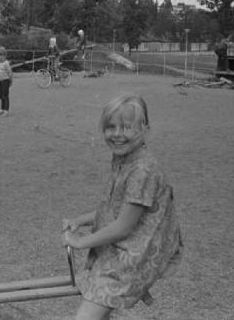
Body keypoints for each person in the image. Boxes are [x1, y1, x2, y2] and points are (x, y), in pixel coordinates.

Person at [61, 93, 183, 320]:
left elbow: (123, 227)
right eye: (110, 127)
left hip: (135, 255)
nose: (117, 134)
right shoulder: (124, 158)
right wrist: (81, 220)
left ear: (145, 128)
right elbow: (116, 208)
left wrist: (80, 242)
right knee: (99, 302)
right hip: (122, 250)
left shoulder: (142, 170)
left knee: (87, 314)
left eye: (126, 127)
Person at [0, 46, 13, 117]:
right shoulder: (0, 63)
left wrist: (11, 80)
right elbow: (0, 72)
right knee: (1, 96)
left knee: (5, 96)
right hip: (1, 81)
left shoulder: (6, 63)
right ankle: (2, 109)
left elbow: (10, 72)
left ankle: (6, 110)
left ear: (2, 55)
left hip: (6, 81)